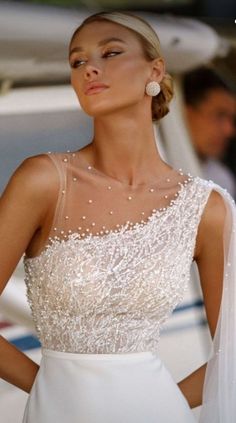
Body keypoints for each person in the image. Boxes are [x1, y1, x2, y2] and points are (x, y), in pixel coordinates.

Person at [0, 11, 235, 423]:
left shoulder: (206, 208)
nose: (90, 67)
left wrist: (167, 400)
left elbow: (232, 350)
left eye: (110, 52)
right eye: (77, 61)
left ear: (155, 69)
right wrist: (49, 387)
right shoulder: (43, 180)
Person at [182, 66, 236, 199]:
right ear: (185, 113)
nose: (229, 130)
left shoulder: (220, 180)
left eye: (231, 119)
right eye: (219, 115)